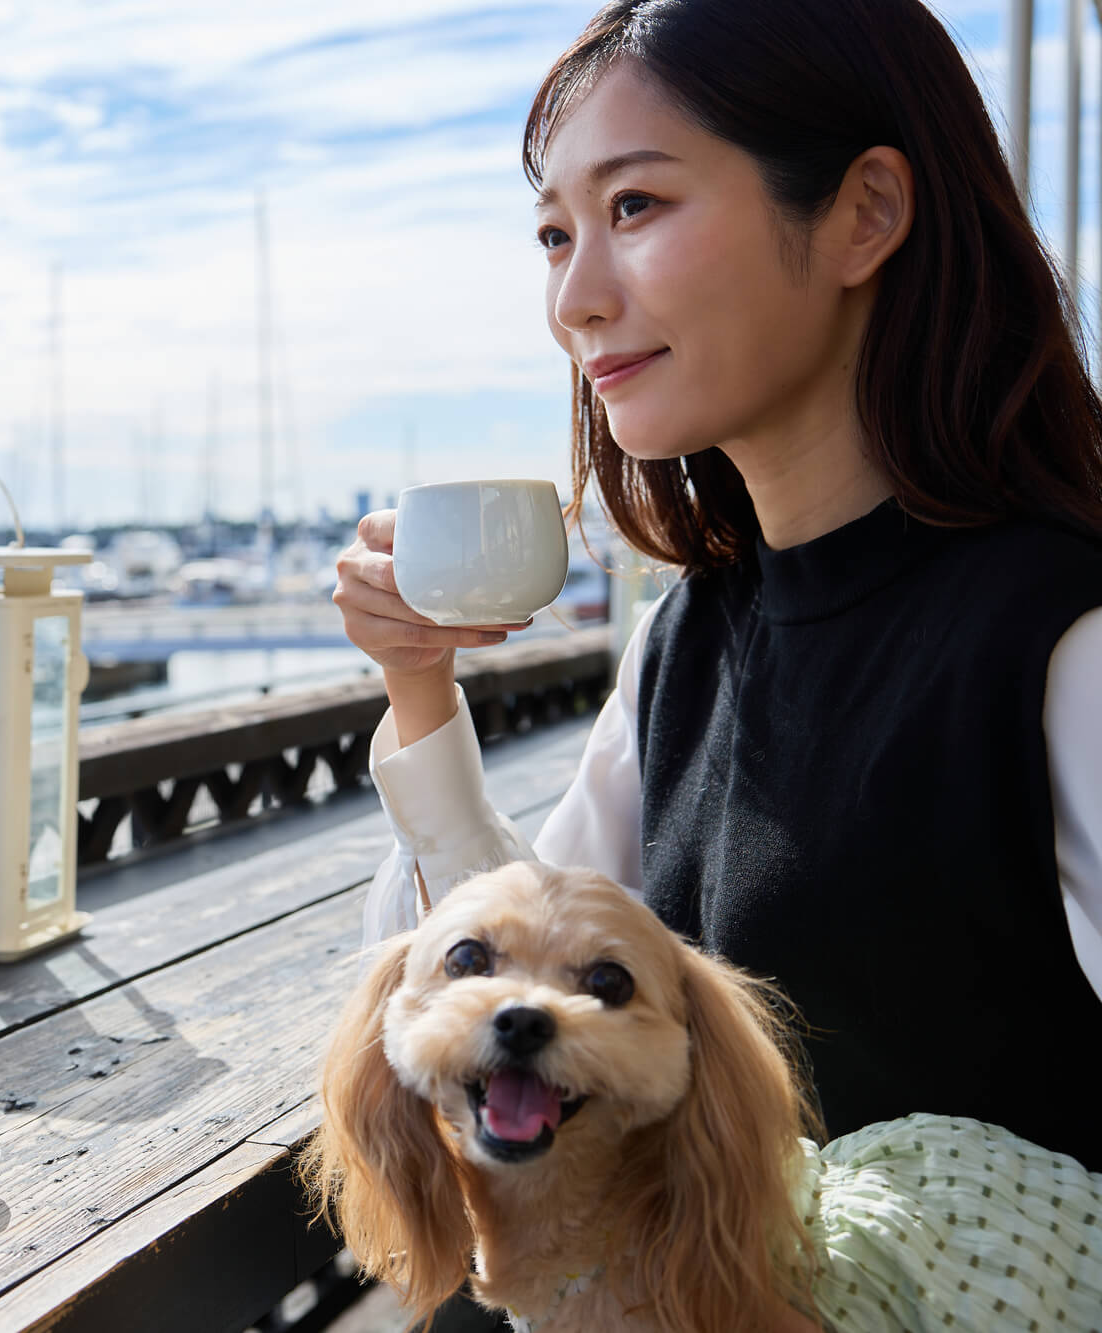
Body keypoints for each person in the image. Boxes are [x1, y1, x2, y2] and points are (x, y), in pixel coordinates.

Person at [332, 0, 1102, 1194]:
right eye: (552, 234)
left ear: (864, 214)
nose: (572, 299)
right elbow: (505, 997)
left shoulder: (1057, 633)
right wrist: (417, 684)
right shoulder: (689, 636)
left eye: (633, 206)